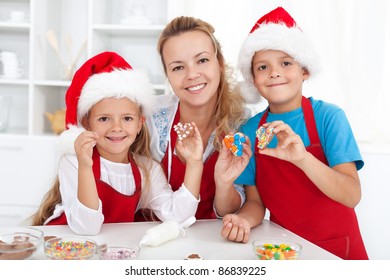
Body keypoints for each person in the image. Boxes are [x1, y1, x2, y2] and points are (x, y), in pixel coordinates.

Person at [222, 7, 369, 260]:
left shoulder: (329, 117)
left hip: (338, 250)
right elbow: (256, 203)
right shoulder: (250, 130)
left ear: (305, 70)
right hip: (284, 250)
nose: (274, 72)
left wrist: (303, 159)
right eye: (263, 67)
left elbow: (351, 195)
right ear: (253, 79)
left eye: (286, 63)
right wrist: (243, 220)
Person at [29, 51, 203, 235]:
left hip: (108, 249)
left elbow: (178, 216)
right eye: (104, 119)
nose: (116, 127)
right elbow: (87, 228)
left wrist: (194, 164)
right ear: (87, 123)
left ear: (140, 123)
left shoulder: (147, 169)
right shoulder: (73, 161)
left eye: (127, 118)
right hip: (66, 245)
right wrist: (86, 168)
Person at [145, 16, 252, 220]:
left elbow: (229, 212)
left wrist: (224, 184)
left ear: (219, 63)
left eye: (202, 60)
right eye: (178, 67)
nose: (192, 74)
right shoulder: (152, 118)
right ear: (168, 76)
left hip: (212, 242)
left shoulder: (242, 122)